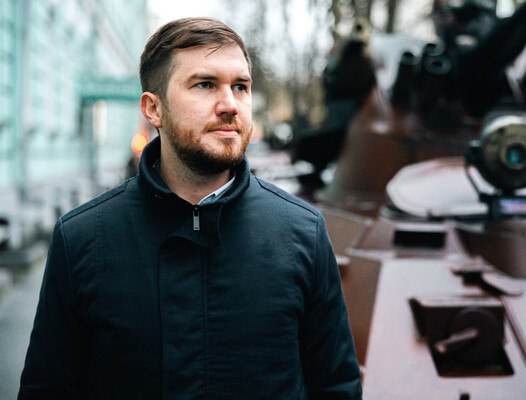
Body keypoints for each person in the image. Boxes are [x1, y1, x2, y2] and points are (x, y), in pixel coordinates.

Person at [18, 17, 363, 399]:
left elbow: (336, 387)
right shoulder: (82, 239)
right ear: (154, 108)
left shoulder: (302, 232)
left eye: (240, 87)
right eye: (205, 84)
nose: (230, 105)